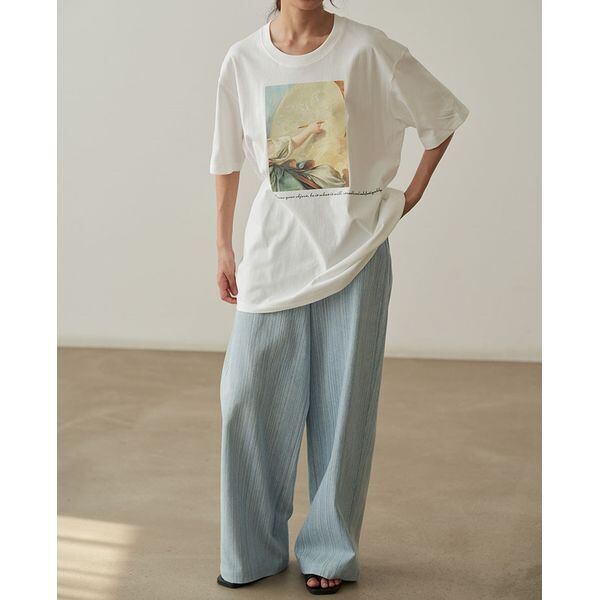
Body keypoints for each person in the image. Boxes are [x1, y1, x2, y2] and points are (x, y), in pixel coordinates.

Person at [210, 0, 469, 595]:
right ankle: (250, 551)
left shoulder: (368, 48)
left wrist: (408, 197)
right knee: (244, 399)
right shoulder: (243, 59)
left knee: (344, 409)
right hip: (275, 257)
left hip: (356, 256)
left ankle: (329, 551)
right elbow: (225, 159)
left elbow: (442, 116)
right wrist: (223, 245)